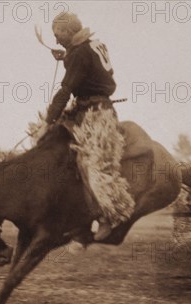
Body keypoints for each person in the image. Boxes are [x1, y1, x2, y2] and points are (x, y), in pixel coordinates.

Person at [45, 12, 134, 241]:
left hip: (96, 114)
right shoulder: (92, 45)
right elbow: (92, 69)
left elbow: (66, 89)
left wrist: (49, 119)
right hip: (89, 108)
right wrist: (66, 56)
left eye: (58, 35)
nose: (56, 40)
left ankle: (109, 216)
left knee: (95, 165)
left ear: (68, 31)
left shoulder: (80, 53)